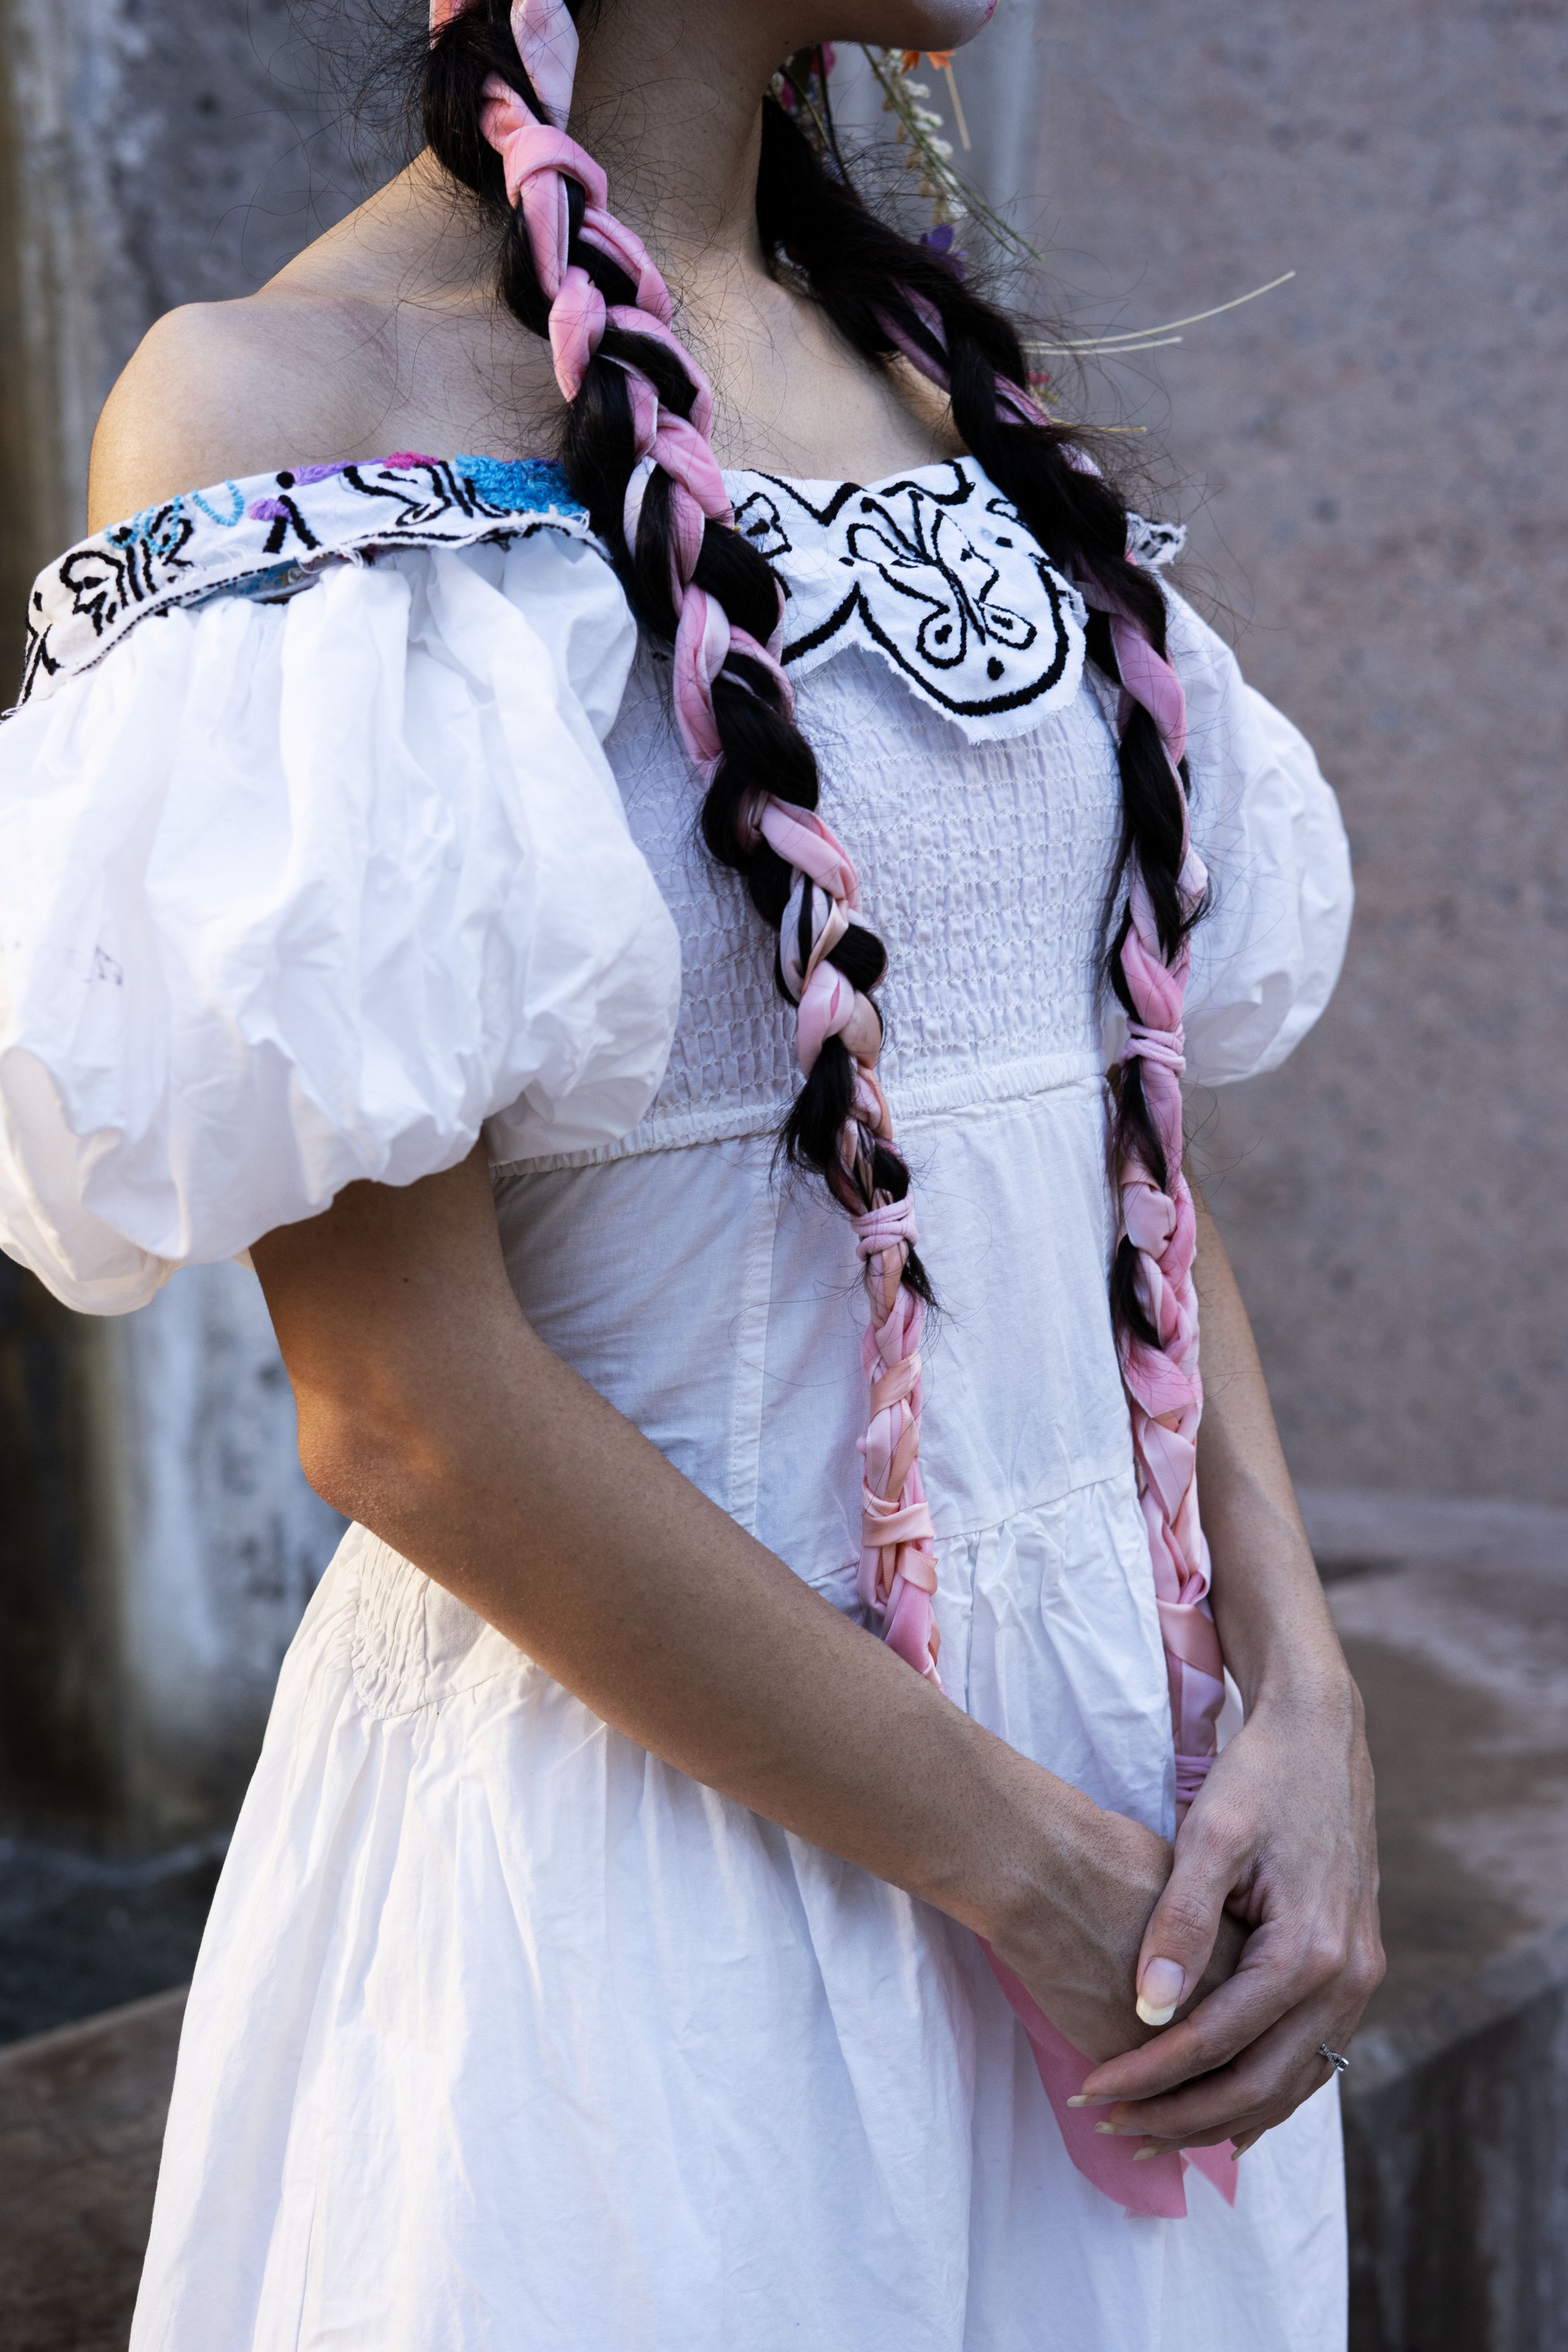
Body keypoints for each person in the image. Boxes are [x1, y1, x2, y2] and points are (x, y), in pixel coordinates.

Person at [0, 0, 1382, 2343]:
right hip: (644, 1899)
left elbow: (1087, 1138)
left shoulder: (938, 384)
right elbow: (403, 1404)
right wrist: (1026, 1876)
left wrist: (1301, 1699)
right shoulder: (284, 414)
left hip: (1142, 1828)